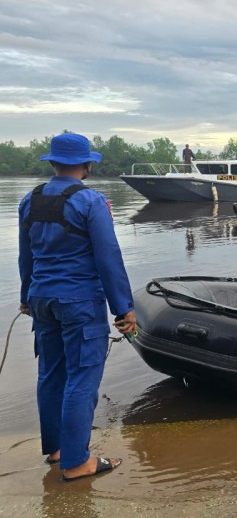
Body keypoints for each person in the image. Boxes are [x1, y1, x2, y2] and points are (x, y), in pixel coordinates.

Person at [18, 133, 137, 482]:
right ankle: (75, 462)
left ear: (53, 163)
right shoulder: (91, 201)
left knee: (51, 374)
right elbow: (108, 257)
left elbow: (26, 256)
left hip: (42, 299)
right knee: (82, 379)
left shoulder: (30, 199)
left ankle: (56, 450)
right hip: (79, 302)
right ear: (87, 165)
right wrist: (123, 308)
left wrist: (27, 296)